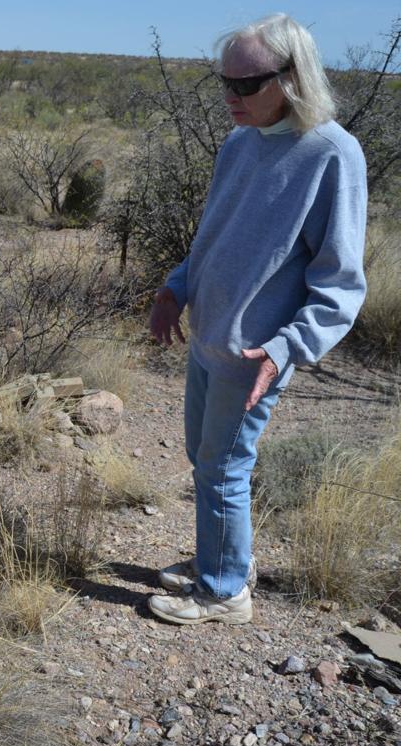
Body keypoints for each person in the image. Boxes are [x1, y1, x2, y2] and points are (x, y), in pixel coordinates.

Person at [147, 14, 367, 625]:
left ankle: (223, 592)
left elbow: (340, 284)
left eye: (246, 86)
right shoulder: (241, 141)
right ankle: (219, 560)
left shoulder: (332, 155)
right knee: (205, 457)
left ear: (293, 79)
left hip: (254, 356)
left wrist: (286, 348)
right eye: (224, 83)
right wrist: (176, 288)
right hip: (209, 339)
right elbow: (212, 237)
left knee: (223, 467)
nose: (230, 98)